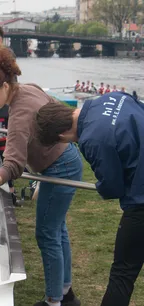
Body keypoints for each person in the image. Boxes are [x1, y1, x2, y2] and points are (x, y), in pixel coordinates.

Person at [0, 46, 82, 306]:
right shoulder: (30, 87)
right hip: (67, 158)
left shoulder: (18, 114)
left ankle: (54, 301)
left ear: (5, 86)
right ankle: (65, 292)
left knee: (47, 234)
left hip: (59, 165)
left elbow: (13, 165)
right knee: (57, 229)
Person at [35, 92, 144, 306]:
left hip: (141, 201)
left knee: (122, 273)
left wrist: (102, 186)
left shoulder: (91, 140)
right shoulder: (108, 98)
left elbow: (112, 186)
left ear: (61, 137)